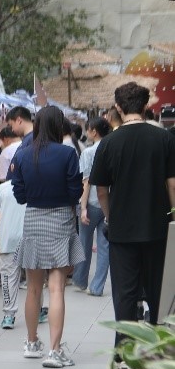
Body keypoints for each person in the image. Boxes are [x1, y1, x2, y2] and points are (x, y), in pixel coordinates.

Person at [90, 82, 175, 340]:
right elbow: (172, 184)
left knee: (125, 295)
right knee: (159, 292)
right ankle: (159, 347)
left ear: (118, 107)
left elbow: (101, 190)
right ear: (146, 105)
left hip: (122, 230)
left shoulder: (108, 143)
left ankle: (124, 349)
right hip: (157, 227)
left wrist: (110, 216)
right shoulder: (164, 138)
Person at [10, 106, 84, 368]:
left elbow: (19, 194)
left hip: (33, 219)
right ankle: (54, 351)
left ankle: (31, 343)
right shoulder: (67, 153)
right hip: (61, 219)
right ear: (59, 126)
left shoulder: (23, 154)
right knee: (56, 288)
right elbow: (75, 191)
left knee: (32, 288)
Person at [73, 116, 112, 296]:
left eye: (88, 129)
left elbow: (86, 181)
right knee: (104, 247)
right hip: (108, 203)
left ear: (94, 131)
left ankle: (81, 280)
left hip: (91, 203)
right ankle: (97, 286)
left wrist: (83, 208)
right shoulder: (112, 148)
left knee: (84, 243)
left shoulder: (89, 152)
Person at [0, 179, 27, 329]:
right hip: (30, 237)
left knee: (8, 277)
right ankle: (37, 310)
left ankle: (9, 315)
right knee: (34, 279)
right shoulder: (35, 184)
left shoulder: (2, 188)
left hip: (8, 239)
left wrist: (0, 240)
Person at [0, 106, 33, 180]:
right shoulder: (29, 139)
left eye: (11, 125)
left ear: (19, 120)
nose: (12, 130)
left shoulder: (32, 140)